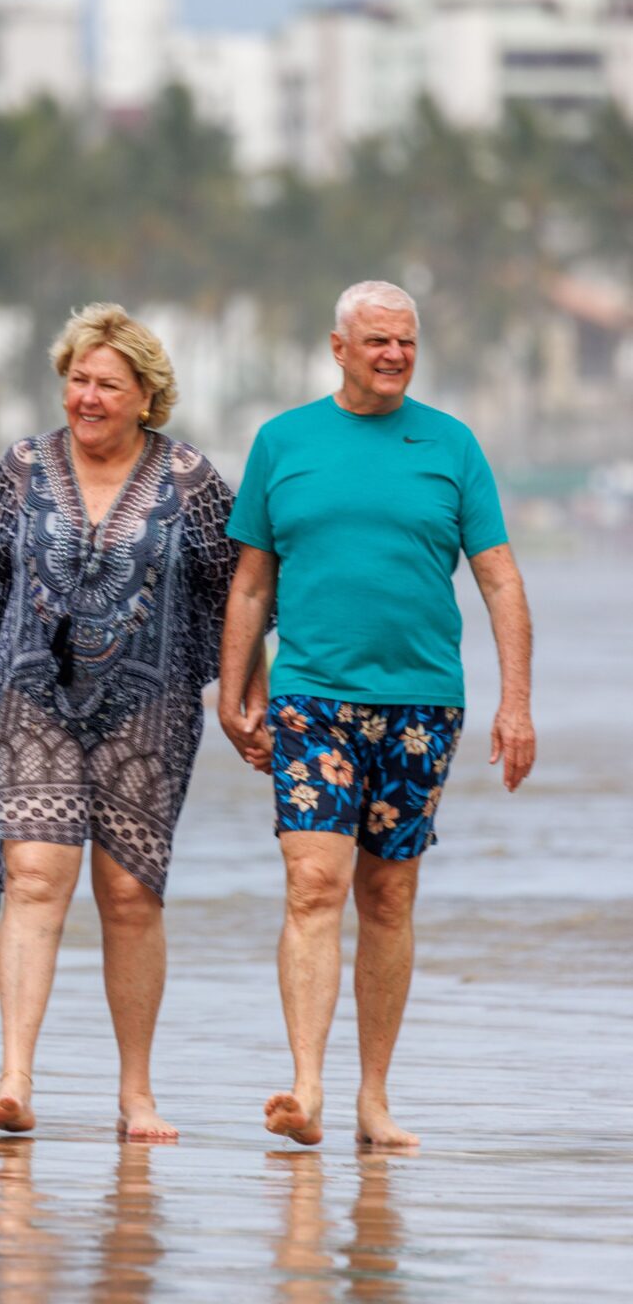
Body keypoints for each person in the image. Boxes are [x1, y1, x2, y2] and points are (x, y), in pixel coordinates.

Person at [0, 303, 265, 1138]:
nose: (88, 397)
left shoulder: (191, 481)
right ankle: (15, 1079)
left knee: (130, 894)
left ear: (146, 395)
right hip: (33, 694)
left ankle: (136, 1095)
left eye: (107, 384)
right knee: (36, 875)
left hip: (150, 706)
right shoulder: (22, 468)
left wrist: (252, 700)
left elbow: (241, 597)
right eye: (78, 380)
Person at [219, 280, 535, 1149]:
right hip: (312, 695)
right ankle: (307, 1087)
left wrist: (516, 703)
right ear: (339, 348)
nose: (394, 355)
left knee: (389, 895)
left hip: (423, 702)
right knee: (313, 882)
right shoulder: (284, 442)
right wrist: (234, 687)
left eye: (406, 342)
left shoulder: (452, 444)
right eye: (377, 341)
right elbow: (250, 583)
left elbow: (500, 579)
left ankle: (374, 1098)